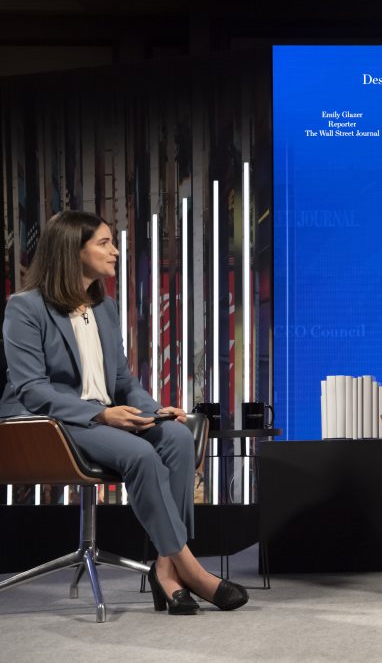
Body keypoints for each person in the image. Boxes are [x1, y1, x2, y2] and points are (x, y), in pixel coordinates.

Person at [0, 211, 248, 615]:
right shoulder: (25, 308)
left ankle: (165, 568)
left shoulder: (104, 308)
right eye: (104, 243)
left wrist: (155, 410)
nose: (115, 250)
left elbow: (122, 382)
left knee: (178, 438)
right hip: (49, 422)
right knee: (140, 454)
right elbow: (31, 389)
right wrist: (101, 416)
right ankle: (191, 569)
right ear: (72, 250)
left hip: (100, 416)